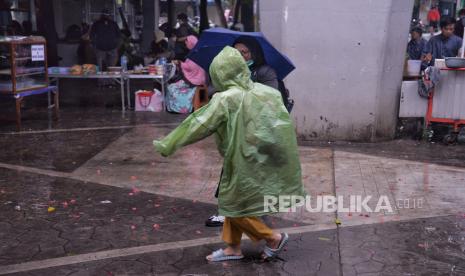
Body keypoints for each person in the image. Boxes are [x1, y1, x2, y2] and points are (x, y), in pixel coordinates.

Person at [153, 46, 305, 261]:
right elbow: (280, 125)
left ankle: (272, 238)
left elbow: (198, 124)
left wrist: (168, 144)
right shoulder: (267, 92)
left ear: (220, 72)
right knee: (233, 201)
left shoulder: (225, 99)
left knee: (234, 205)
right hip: (264, 156)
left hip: (241, 159)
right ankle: (232, 247)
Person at [165, 35, 206, 113]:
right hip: (196, 78)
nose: (186, 43)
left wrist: (179, 63)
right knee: (171, 86)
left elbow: (192, 67)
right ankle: (175, 107)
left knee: (171, 87)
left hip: (195, 80)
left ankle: (180, 108)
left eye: (187, 42)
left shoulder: (195, 54)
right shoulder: (195, 52)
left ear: (191, 43)